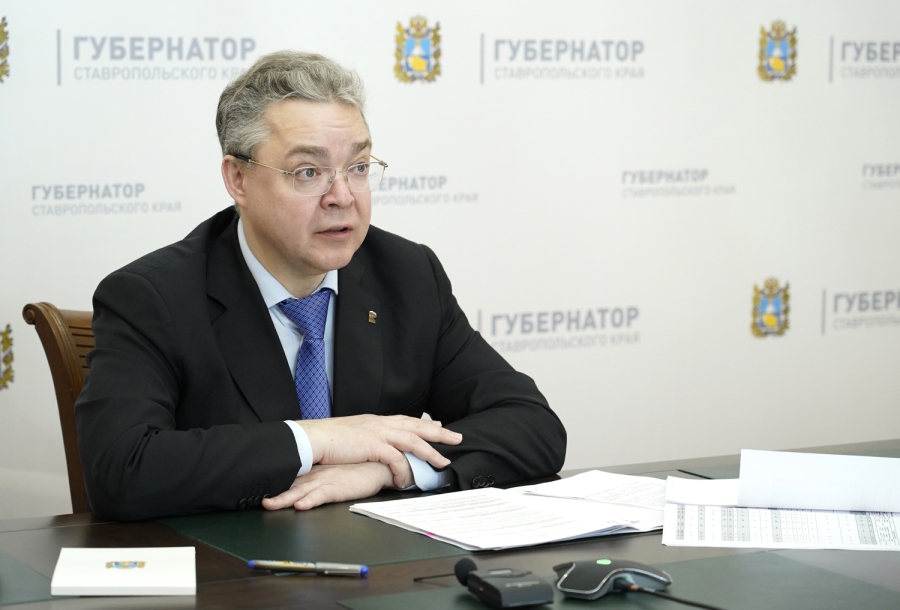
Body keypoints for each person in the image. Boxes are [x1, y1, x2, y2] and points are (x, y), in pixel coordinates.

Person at [75, 51, 566, 521]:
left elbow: (532, 425)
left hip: (377, 563)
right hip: (233, 566)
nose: (342, 197)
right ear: (238, 179)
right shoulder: (153, 297)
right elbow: (121, 469)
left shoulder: (407, 275)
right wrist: (320, 440)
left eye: (358, 167)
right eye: (308, 172)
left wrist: (390, 467)